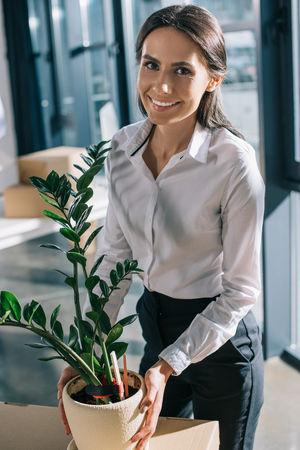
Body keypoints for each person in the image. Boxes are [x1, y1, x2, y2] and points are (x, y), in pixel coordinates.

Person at [57, 5, 265, 450]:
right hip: (157, 324)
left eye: (182, 71)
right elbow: (115, 253)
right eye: (151, 65)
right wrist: (88, 346)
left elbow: (242, 291)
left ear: (213, 79)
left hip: (222, 342)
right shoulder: (120, 150)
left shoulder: (234, 164)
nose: (161, 86)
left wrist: (169, 365)